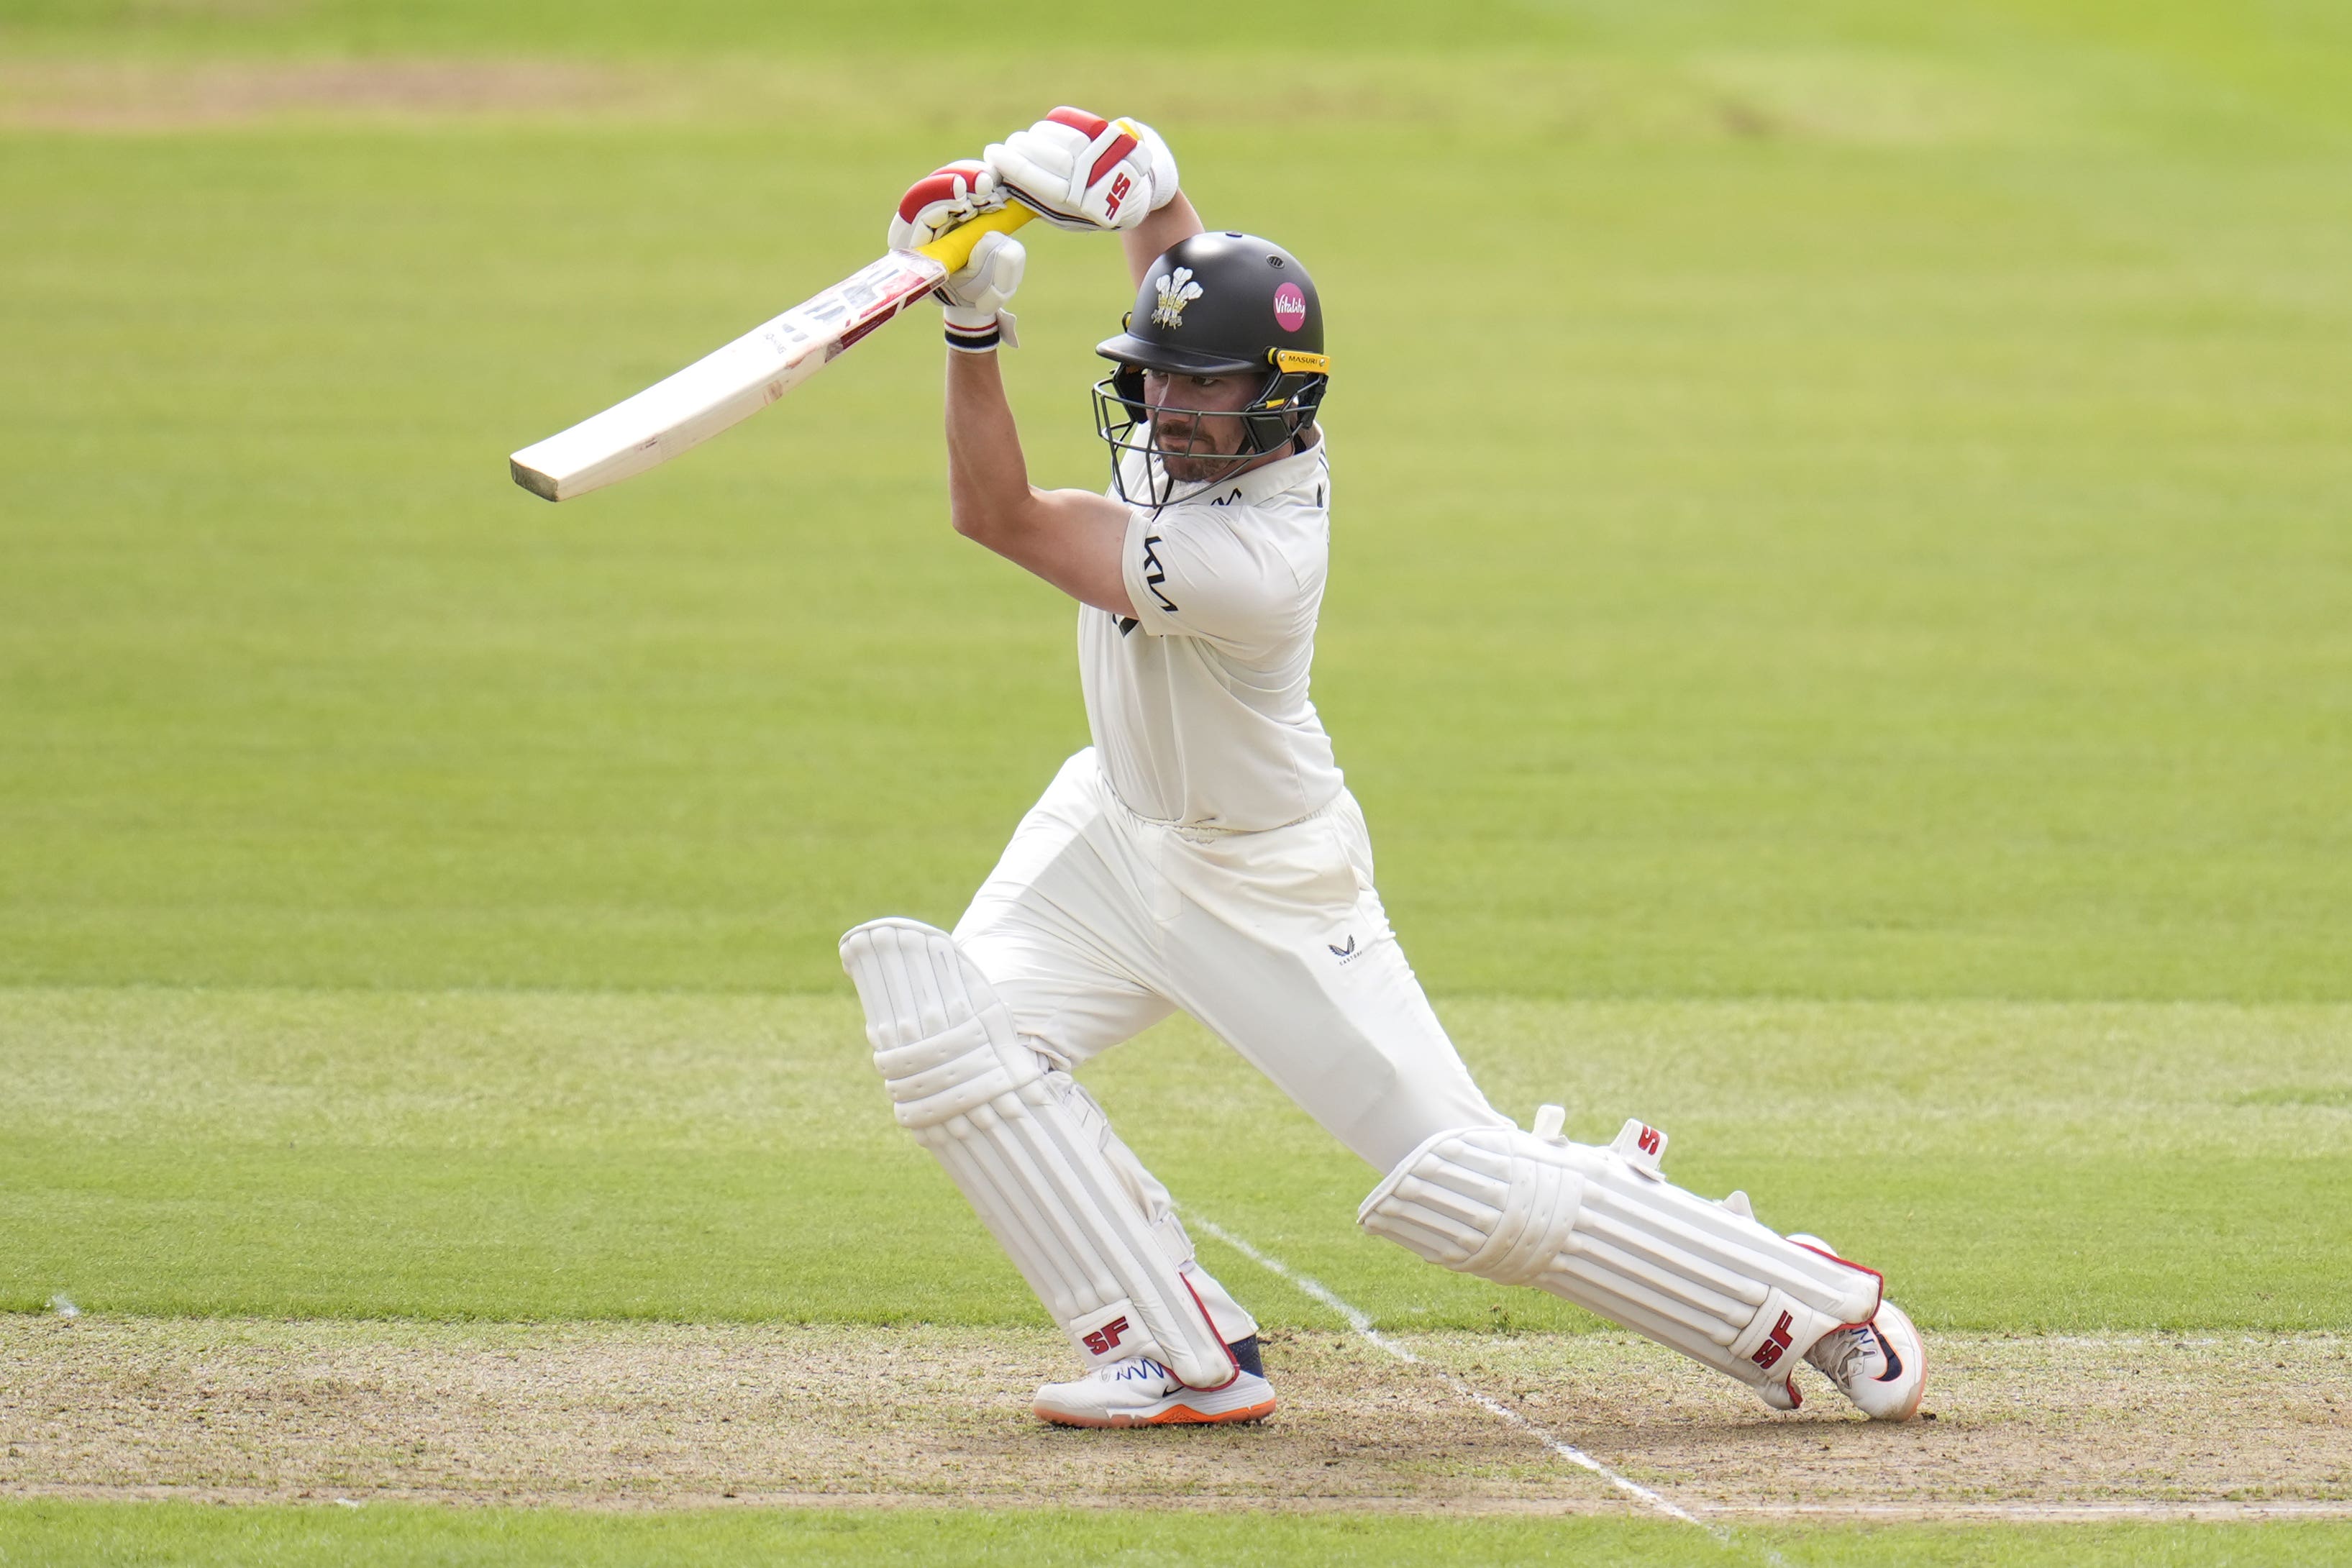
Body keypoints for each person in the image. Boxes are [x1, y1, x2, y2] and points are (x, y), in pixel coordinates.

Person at [840, 108, 1926, 1429]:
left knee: (1460, 1186)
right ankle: (1180, 1355)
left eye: (1200, 388)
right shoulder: (1210, 414)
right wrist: (1148, 187)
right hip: (1110, 833)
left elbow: (994, 514)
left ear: (1277, 397)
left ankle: (1803, 1293)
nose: (1168, 407)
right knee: (951, 1035)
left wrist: (969, 328)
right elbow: (1194, 288)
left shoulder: (1256, 560)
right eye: (1155, 377)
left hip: (1265, 881)